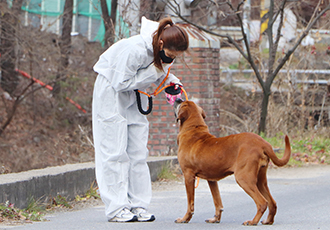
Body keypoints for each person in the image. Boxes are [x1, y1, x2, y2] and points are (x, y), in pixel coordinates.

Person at [92, 16, 189, 222]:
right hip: (111, 93)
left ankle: (138, 205)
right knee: (114, 151)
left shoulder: (159, 50)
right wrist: (156, 71)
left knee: (138, 152)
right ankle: (117, 208)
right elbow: (121, 82)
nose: (170, 59)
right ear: (161, 43)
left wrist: (172, 82)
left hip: (134, 94)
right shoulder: (134, 49)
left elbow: (158, 70)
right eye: (170, 55)